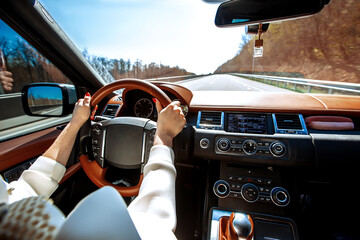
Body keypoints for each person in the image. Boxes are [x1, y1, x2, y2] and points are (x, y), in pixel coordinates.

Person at [0, 93, 186, 239]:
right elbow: (150, 225)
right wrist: (164, 135)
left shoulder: (8, 213)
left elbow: (30, 186)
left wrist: (76, 123)